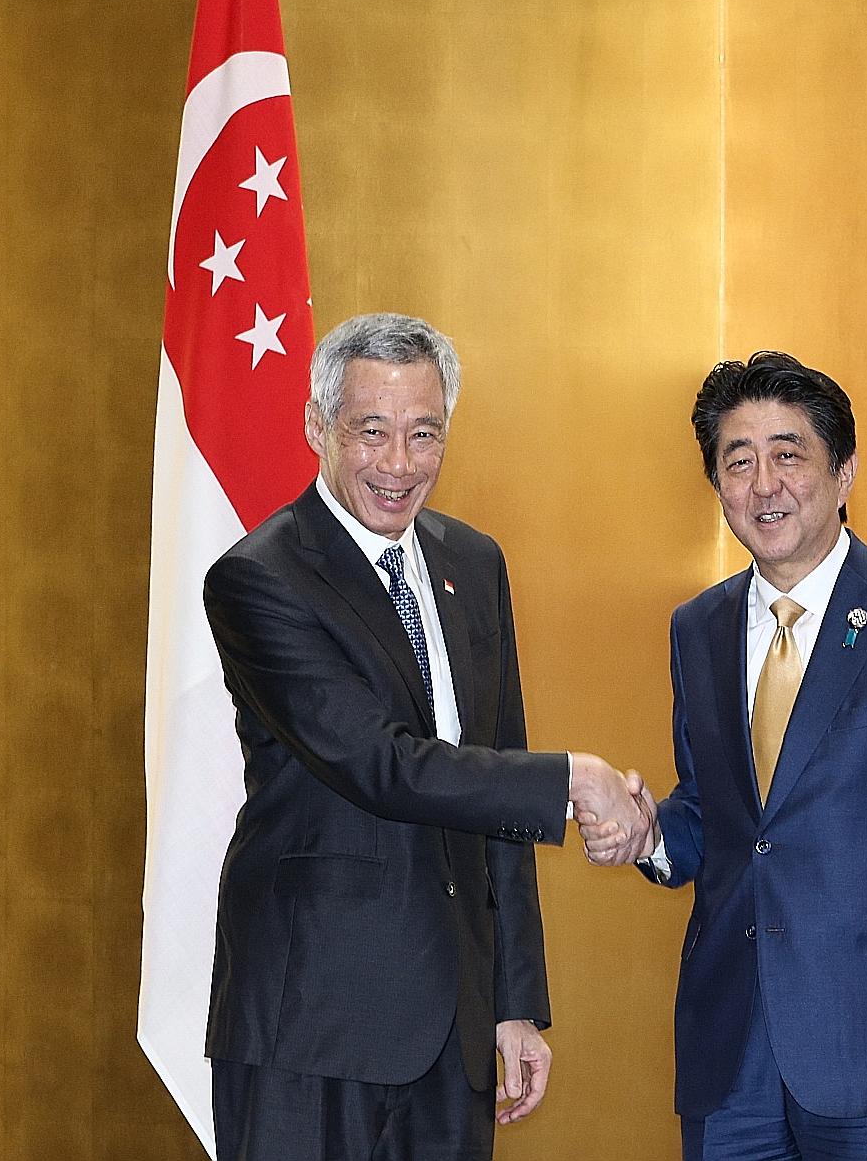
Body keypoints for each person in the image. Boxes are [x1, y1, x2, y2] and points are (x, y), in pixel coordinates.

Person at [203, 312, 645, 1161]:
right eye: (372, 431)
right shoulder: (260, 579)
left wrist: (515, 998)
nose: (400, 463)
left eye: (424, 433)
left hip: (454, 1027)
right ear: (317, 427)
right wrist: (571, 779)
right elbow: (383, 764)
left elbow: (495, 779)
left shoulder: (472, 563)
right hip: (312, 1025)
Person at [582, 351, 867, 1160]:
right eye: (737, 461)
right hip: (730, 1048)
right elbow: (718, 814)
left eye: (789, 454)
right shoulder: (698, 627)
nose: (763, 484)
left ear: (844, 470)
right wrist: (646, 834)